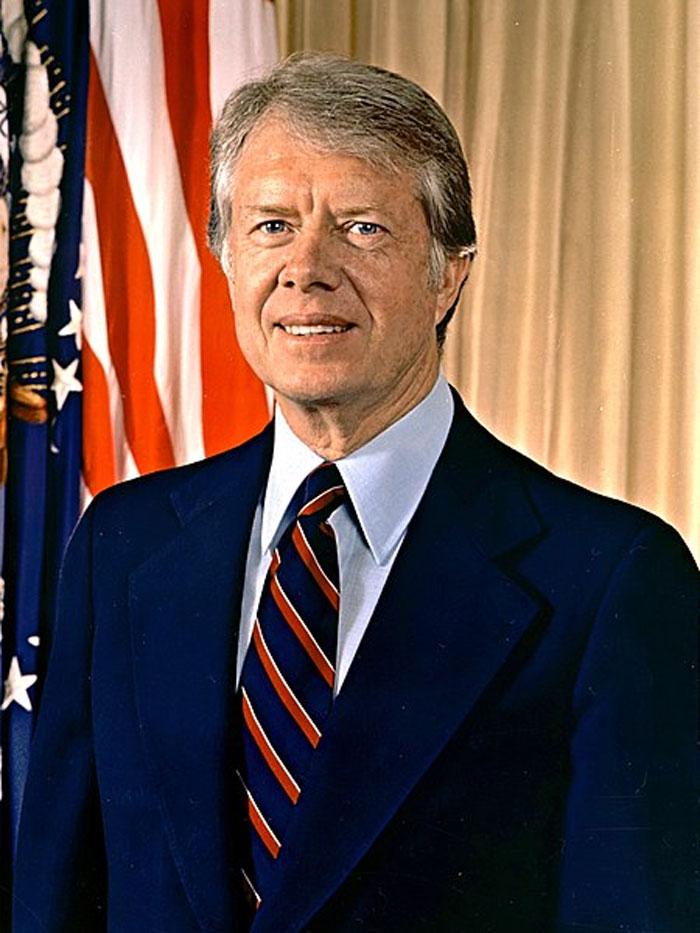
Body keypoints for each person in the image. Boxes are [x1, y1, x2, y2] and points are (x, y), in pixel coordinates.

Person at [13, 53, 699, 932]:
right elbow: (55, 902)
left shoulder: (610, 579)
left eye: (363, 228)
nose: (306, 268)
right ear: (225, 257)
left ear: (448, 272)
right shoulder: (126, 542)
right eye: (270, 226)